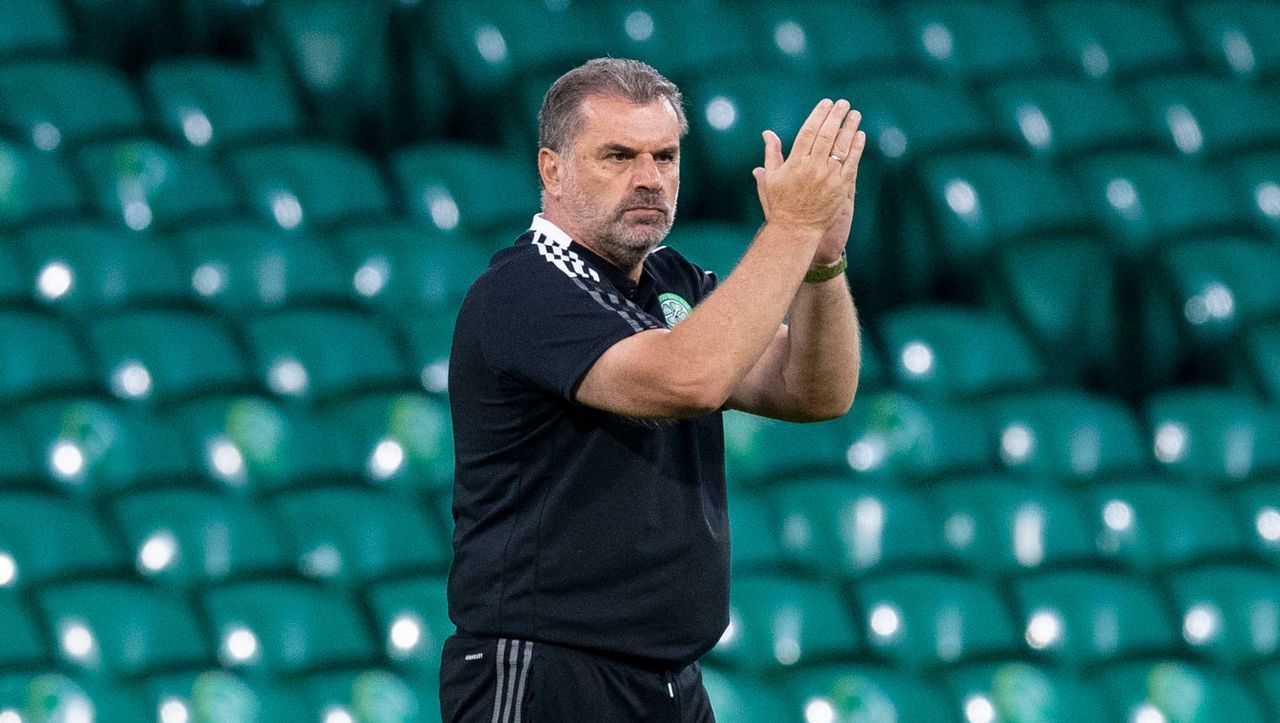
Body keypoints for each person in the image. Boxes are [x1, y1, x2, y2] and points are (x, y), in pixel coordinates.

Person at [441, 57, 864, 722]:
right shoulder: (523, 289)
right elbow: (690, 376)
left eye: (664, 156)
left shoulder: (675, 281)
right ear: (553, 170)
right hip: (548, 674)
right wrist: (787, 227)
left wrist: (820, 260)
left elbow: (813, 390)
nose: (648, 178)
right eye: (618, 155)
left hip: (670, 682)